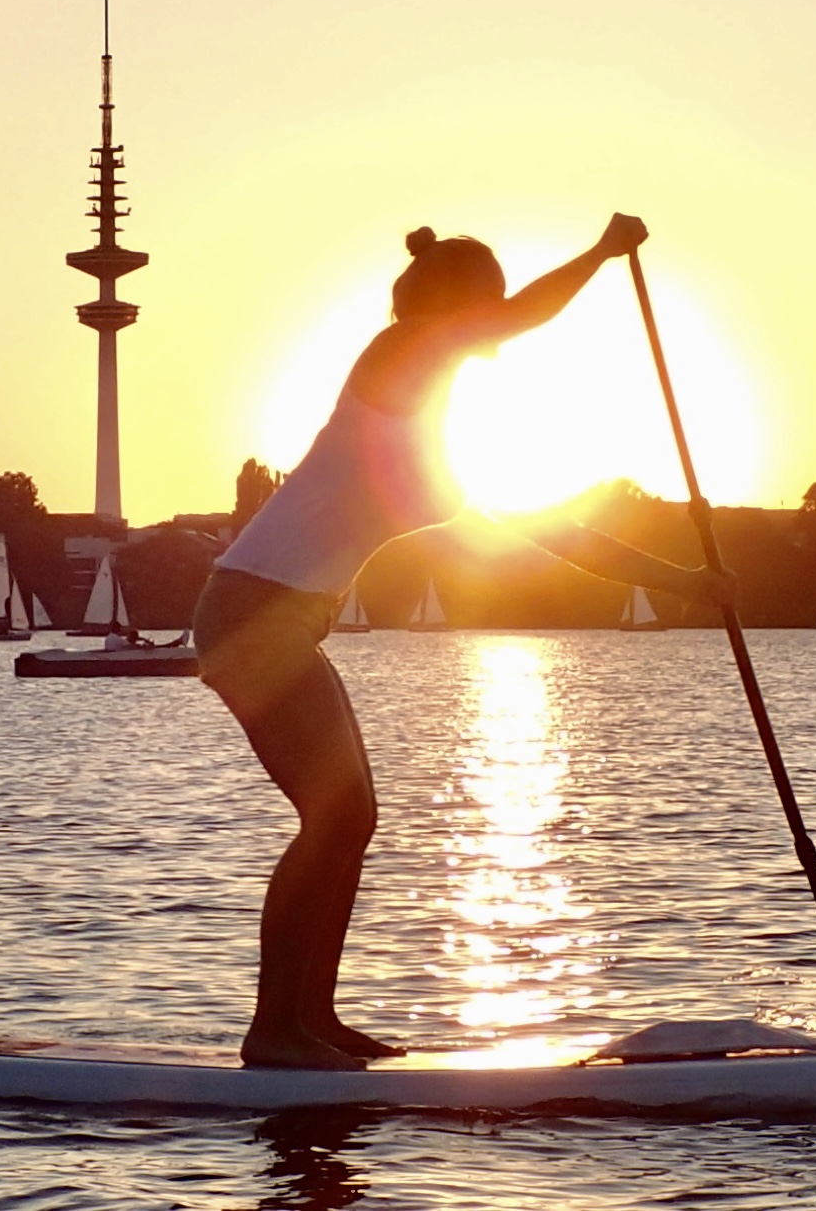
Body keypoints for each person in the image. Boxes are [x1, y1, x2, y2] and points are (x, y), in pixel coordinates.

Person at [195, 215, 737, 1070]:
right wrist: (600, 254)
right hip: (249, 614)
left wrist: (686, 582)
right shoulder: (396, 353)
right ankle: (274, 1032)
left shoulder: (431, 436)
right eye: (488, 305)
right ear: (457, 306)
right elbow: (517, 317)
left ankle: (313, 1020)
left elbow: (558, 534)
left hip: (284, 622)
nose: (498, 325)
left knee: (352, 821)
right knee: (334, 817)